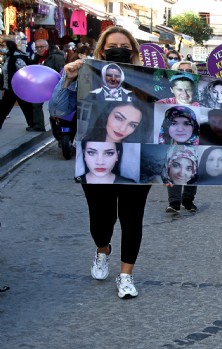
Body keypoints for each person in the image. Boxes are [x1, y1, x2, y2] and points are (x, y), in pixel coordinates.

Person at [49, 26, 151, 299]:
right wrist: (67, 79)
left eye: (125, 47)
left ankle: (127, 275)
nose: (119, 51)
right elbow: (58, 110)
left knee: (132, 219)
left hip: (138, 159)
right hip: (96, 159)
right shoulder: (87, 77)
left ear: (134, 52)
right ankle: (102, 249)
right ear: (101, 51)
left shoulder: (147, 79)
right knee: (101, 219)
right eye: (112, 46)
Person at [158, 105, 200, 212]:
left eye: (186, 123)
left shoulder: (198, 146)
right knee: (174, 171)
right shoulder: (165, 145)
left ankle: (188, 200)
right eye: (174, 123)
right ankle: (174, 202)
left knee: (193, 172)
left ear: (193, 126)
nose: (180, 129)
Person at [0, 38, 40, 131]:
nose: (2, 48)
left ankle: (34, 124)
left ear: (9, 46)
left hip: (17, 87)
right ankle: (33, 124)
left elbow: (24, 71)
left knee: (25, 107)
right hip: (10, 87)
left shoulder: (16, 57)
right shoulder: (8, 56)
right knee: (5, 107)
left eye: (3, 46)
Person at [85, 100, 151, 143]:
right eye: (119, 118)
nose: (122, 129)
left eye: (132, 125)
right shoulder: (86, 140)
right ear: (107, 114)